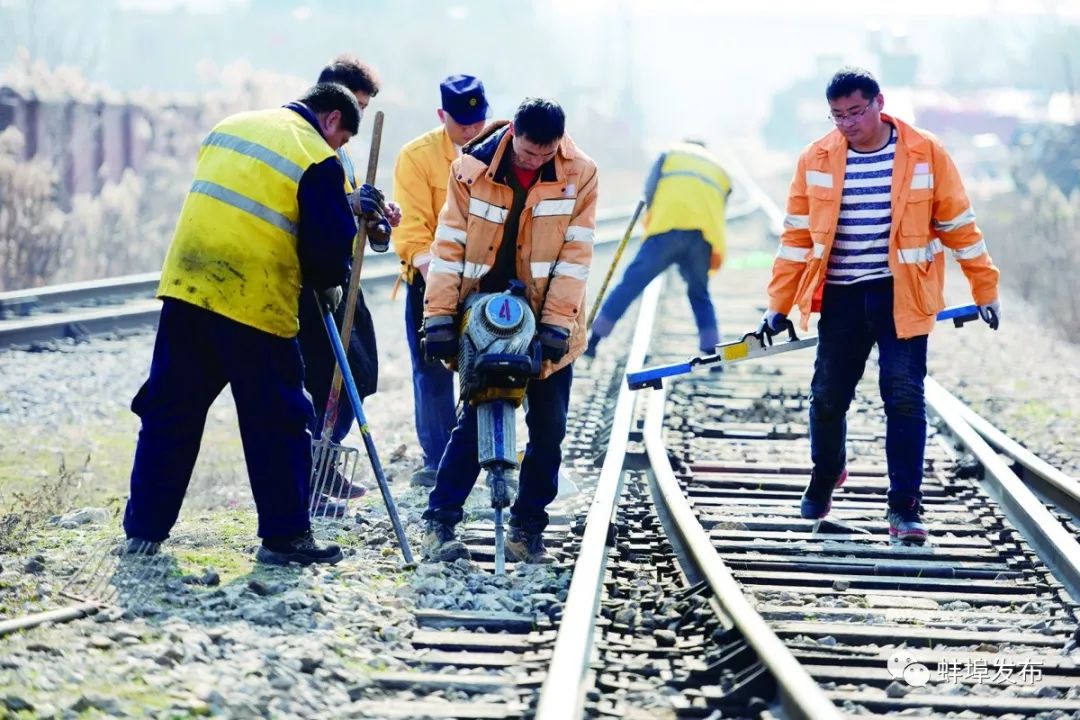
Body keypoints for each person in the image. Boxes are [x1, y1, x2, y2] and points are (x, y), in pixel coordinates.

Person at [123, 83, 364, 565]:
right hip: (254, 301)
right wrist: (331, 280)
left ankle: (144, 532)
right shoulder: (316, 156)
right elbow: (326, 251)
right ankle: (285, 537)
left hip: (187, 290)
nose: (340, 149)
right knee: (278, 420)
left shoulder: (229, 127)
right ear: (334, 119)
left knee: (170, 411)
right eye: (343, 140)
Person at [759, 67, 1001, 544]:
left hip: (903, 295)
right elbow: (796, 239)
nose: (847, 123)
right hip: (842, 296)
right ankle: (827, 473)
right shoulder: (816, 157)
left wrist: (984, 288)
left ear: (878, 104)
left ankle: (905, 509)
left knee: (905, 397)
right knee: (828, 398)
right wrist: (778, 305)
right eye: (837, 115)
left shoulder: (923, 152)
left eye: (855, 112)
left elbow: (959, 225)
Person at [420, 98, 598, 563]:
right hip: (482, 318)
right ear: (512, 132)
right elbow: (450, 244)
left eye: (546, 154)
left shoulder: (581, 173)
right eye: (528, 153)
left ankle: (527, 531)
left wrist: (558, 327)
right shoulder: (470, 169)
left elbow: (575, 257)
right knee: (472, 422)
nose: (536, 162)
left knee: (549, 429)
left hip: (548, 320)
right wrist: (438, 316)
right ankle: (439, 525)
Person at [295, 54, 402, 514]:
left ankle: (326, 455)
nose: (358, 116)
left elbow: (350, 218)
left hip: (338, 279)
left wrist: (375, 219)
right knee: (317, 377)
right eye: (354, 105)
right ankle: (308, 476)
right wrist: (348, 204)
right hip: (304, 282)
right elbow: (311, 208)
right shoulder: (304, 145)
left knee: (358, 366)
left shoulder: (342, 151)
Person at [392, 74, 489, 488]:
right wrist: (438, 278)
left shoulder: (501, 144)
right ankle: (438, 458)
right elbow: (412, 227)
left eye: (477, 122)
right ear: (441, 116)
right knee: (432, 369)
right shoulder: (417, 156)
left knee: (491, 367)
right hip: (431, 278)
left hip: (486, 279)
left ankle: (488, 453)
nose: (472, 132)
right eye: (462, 125)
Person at [585, 139, 731, 357]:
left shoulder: (671, 155)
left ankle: (594, 340)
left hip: (665, 230)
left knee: (630, 284)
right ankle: (712, 351)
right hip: (702, 237)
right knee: (699, 293)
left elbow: (649, 189)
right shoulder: (720, 170)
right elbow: (721, 204)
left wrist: (654, 216)